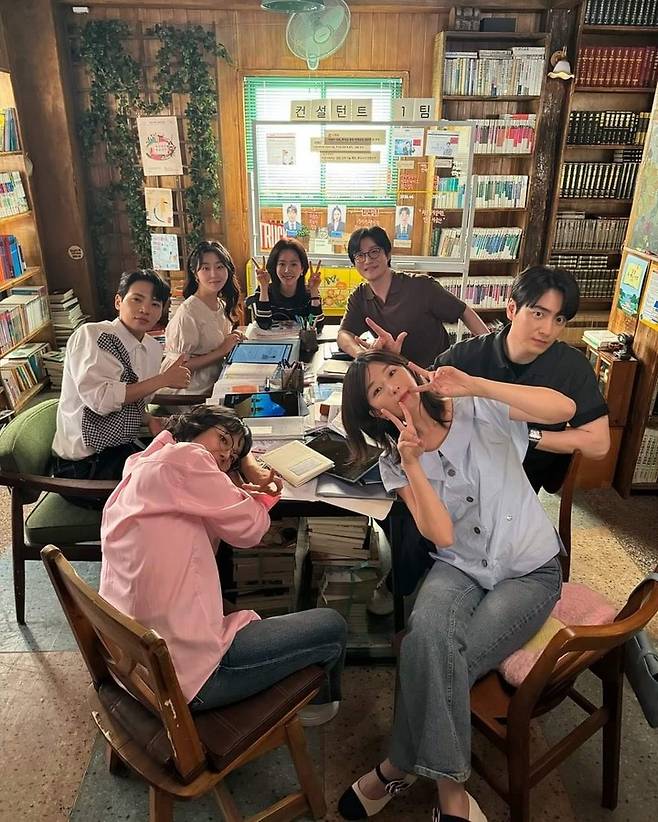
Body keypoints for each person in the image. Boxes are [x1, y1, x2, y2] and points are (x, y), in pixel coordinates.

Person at [339, 350, 575, 821]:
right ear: (374, 412)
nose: (393, 387)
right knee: (426, 637)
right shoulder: (394, 460)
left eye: (392, 372)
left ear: (409, 369)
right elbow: (442, 535)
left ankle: (404, 770)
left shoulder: (474, 405)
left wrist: (478, 385)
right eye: (377, 390)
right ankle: (447, 788)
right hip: (460, 565)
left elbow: (563, 409)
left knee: (440, 657)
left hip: (529, 569)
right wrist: (412, 463)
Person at [99, 405, 347, 723]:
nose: (225, 456)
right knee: (332, 626)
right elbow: (250, 530)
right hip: (190, 679)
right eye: (223, 440)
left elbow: (199, 500)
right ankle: (315, 706)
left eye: (232, 458)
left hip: (133, 668)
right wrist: (262, 495)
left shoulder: (142, 464)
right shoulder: (188, 458)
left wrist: (234, 482)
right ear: (193, 428)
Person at [436, 265, 610, 492]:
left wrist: (526, 436)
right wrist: (393, 361)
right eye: (538, 314)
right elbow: (423, 396)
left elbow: (598, 445)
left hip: (523, 484)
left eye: (559, 319)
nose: (547, 330)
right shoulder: (465, 355)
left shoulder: (572, 366)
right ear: (511, 309)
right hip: (461, 477)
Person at [52, 269, 191, 503]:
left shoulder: (152, 347)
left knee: (193, 457)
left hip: (122, 448)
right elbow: (102, 401)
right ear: (118, 301)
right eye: (137, 299)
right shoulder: (94, 335)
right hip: (85, 468)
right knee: (177, 489)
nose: (145, 309)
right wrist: (164, 379)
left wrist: (149, 419)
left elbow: (134, 401)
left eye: (155, 304)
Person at [337, 226, 489, 368]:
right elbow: (344, 334)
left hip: (436, 373)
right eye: (359, 255)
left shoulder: (421, 286)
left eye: (374, 251)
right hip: (397, 374)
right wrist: (362, 354)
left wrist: (493, 349)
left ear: (388, 254)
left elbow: (463, 311)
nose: (368, 260)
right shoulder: (359, 297)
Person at [160, 240, 244, 397]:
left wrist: (233, 337)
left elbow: (217, 343)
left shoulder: (221, 305)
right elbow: (177, 368)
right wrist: (221, 350)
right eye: (205, 268)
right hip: (190, 394)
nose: (214, 274)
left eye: (219, 267)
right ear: (195, 273)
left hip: (216, 384)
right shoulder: (188, 312)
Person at [247, 238, 325, 331]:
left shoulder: (310, 293)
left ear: (302, 269)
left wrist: (314, 291)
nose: (287, 270)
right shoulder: (263, 291)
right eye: (282, 264)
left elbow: (317, 327)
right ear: (275, 267)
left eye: (293, 264)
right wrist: (264, 287)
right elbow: (263, 325)